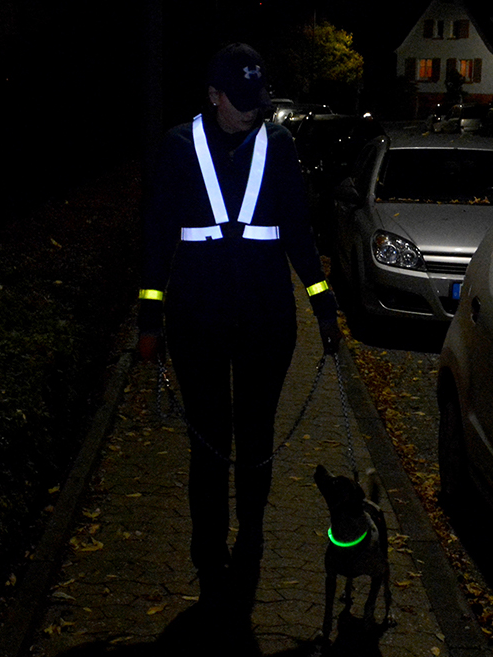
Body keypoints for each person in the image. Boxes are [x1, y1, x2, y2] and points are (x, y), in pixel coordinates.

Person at [137, 43, 341, 608]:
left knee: (255, 441)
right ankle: (209, 556)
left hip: (266, 319)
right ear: (212, 95)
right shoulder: (179, 146)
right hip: (197, 319)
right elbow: (157, 238)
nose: (251, 112)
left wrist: (324, 307)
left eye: (258, 100)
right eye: (240, 102)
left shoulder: (279, 144)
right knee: (209, 444)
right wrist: (148, 319)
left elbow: (299, 233)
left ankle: (250, 539)